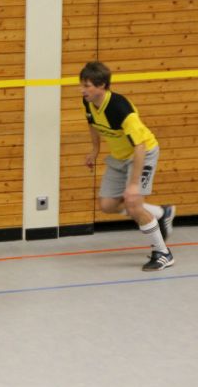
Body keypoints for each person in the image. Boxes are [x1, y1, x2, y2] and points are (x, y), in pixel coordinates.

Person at [79, 61, 176, 271]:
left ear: (102, 85)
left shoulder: (121, 109)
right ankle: (161, 213)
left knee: (133, 204)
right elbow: (92, 124)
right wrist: (95, 150)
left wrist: (133, 185)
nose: (82, 90)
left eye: (87, 86)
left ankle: (163, 253)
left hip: (143, 153)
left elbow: (140, 146)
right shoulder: (89, 102)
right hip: (120, 156)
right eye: (82, 85)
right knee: (107, 205)